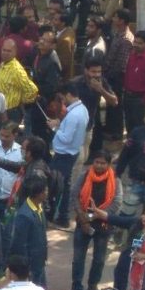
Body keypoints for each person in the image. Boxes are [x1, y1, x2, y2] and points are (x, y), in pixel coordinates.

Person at [59, 152, 122, 290]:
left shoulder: (115, 180)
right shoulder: (84, 176)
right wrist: (83, 217)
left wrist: (95, 216)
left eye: (102, 163)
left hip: (103, 224)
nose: (99, 165)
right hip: (83, 223)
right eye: (97, 162)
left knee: (99, 259)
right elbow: (74, 196)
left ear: (108, 164)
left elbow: (117, 203)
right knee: (78, 258)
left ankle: (93, 286)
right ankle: (76, 289)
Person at [48, 82, 90, 226]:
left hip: (64, 154)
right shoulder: (82, 110)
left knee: (55, 186)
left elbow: (66, 138)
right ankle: (63, 216)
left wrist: (55, 128)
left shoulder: (74, 115)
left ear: (68, 95)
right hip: (71, 153)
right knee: (65, 185)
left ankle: (53, 214)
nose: (62, 101)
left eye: (63, 97)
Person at [8, 176, 49, 286]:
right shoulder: (24, 215)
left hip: (39, 261)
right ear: (38, 194)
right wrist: (26, 268)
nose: (47, 192)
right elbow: (20, 244)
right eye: (45, 190)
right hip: (30, 265)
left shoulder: (39, 207)